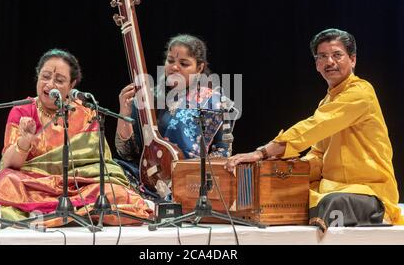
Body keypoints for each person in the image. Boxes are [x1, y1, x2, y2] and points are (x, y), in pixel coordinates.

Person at [225, 28, 404, 230]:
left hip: (369, 192)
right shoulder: (327, 101)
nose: (330, 62)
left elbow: (314, 126)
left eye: (337, 55)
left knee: (333, 203)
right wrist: (286, 168)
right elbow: (318, 155)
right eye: (322, 57)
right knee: (281, 192)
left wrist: (262, 152)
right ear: (317, 64)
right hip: (329, 188)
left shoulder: (361, 92)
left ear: (352, 60)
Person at [0, 49, 152, 227]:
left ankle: (51, 212)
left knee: (113, 191)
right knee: (5, 182)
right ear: (37, 77)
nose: (50, 84)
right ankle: (76, 212)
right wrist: (25, 140)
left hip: (78, 185)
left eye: (59, 80)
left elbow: (99, 163)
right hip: (34, 185)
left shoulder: (86, 112)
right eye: (45, 76)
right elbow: (8, 165)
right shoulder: (22, 111)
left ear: (72, 85)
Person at [115, 34, 233, 199]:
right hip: (146, 179)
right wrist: (124, 114)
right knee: (110, 170)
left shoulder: (214, 103)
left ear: (199, 68)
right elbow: (126, 152)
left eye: (183, 63)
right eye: (170, 61)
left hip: (189, 182)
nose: (174, 67)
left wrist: (188, 171)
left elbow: (222, 152)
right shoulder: (148, 99)